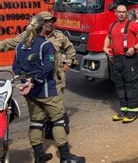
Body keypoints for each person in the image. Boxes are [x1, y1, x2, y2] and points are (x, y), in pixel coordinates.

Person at [13, 16, 85, 163]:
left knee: (36, 121)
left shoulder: (20, 46)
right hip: (46, 90)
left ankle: (39, 156)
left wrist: (26, 81)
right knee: (58, 120)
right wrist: (35, 81)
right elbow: (48, 67)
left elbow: (16, 68)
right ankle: (65, 157)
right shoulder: (46, 45)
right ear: (43, 27)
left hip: (30, 92)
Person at [0, 11, 75, 94]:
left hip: (54, 79)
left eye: (51, 21)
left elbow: (70, 48)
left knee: (54, 102)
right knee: (35, 102)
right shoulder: (28, 35)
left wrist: (68, 62)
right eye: (46, 21)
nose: (50, 23)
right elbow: (8, 43)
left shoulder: (59, 36)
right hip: (34, 78)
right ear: (39, 23)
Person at [103, 4, 138, 123]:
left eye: (123, 12)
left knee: (130, 85)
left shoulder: (131, 25)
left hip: (129, 59)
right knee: (119, 86)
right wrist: (104, 47)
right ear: (115, 13)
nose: (121, 14)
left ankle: (133, 112)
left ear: (126, 13)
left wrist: (134, 47)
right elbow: (108, 37)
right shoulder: (112, 25)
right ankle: (124, 111)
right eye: (119, 12)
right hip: (116, 60)